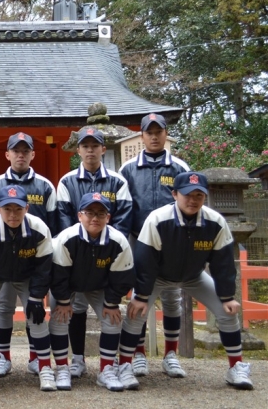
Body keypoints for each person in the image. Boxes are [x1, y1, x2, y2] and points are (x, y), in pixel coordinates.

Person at [116, 172, 253, 390]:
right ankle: (124, 365)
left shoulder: (215, 222)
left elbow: (223, 264)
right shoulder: (158, 219)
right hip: (158, 276)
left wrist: (227, 296)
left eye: (199, 195)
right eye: (187, 194)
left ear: (205, 196)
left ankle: (236, 367)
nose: (193, 200)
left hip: (194, 276)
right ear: (175, 194)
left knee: (227, 311)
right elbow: (145, 261)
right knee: (136, 312)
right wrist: (141, 295)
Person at [116, 113, 191, 378]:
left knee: (172, 296)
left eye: (159, 132)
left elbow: (189, 203)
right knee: (139, 296)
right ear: (142, 135)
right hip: (139, 239)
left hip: (172, 241)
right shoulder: (127, 169)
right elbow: (123, 207)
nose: (155, 137)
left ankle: (171, 354)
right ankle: (138, 353)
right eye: (150, 132)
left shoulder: (179, 167)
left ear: (165, 134)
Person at [55, 127, 132, 378]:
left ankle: (111, 364)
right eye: (85, 146)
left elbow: (123, 219)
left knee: (112, 312)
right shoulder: (67, 181)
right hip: (75, 256)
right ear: (78, 150)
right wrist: (80, 248)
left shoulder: (118, 181)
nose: (90, 150)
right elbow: (64, 218)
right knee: (73, 308)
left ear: (103, 149)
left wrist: (104, 246)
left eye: (95, 145)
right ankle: (77, 359)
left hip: (105, 257)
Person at [0, 185, 55, 395]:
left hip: (26, 275)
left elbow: (44, 267)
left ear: (27, 208)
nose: (13, 214)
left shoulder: (39, 229)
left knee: (36, 316)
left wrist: (36, 297)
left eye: (18, 209)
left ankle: (45, 368)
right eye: (7, 209)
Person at [0, 132, 58, 378]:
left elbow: (53, 225)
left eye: (25, 151)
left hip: (33, 262)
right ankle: (3, 357)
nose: (20, 155)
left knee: (34, 308)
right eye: (16, 151)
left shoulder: (45, 186)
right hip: (2, 261)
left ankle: (36, 358)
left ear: (33, 154)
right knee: (3, 308)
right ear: (7, 154)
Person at [49, 193, 135, 392]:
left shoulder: (118, 240)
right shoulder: (66, 238)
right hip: (68, 286)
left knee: (113, 319)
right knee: (59, 318)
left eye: (101, 213)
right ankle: (62, 368)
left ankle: (106, 370)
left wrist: (112, 303)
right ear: (80, 215)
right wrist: (63, 301)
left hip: (99, 286)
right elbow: (58, 275)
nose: (95, 218)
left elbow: (123, 277)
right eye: (89, 213)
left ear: (108, 217)